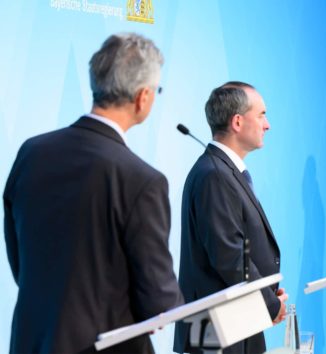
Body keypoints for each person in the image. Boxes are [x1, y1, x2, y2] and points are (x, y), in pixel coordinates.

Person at [3, 33, 183, 353]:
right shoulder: (143, 180)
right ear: (143, 97)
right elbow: (158, 300)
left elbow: (22, 266)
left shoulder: (31, 153)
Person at [174, 82, 287, 354]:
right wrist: (269, 304)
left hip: (237, 323)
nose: (267, 124)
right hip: (218, 332)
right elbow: (230, 256)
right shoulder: (214, 174)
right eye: (261, 115)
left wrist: (268, 295)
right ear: (237, 121)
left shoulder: (224, 171)